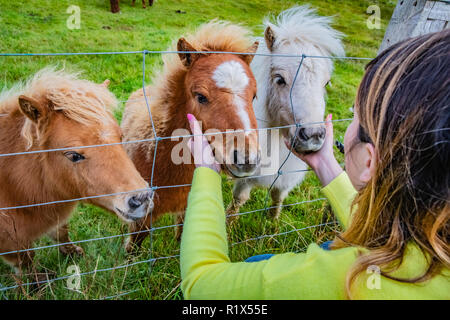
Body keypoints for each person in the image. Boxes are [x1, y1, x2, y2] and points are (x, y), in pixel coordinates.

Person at [179, 29, 449, 299]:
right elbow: (381, 233)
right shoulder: (430, 251)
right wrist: (325, 165)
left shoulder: (345, 277)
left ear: (369, 161)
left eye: (355, 116)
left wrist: (206, 172)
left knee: (255, 264)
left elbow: (201, 286)